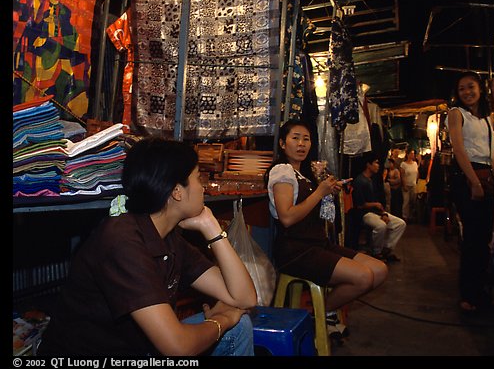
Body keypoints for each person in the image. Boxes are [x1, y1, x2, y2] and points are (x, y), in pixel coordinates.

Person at [38, 137, 257, 356]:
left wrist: (211, 228)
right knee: (230, 324)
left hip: (140, 349)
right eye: (198, 178)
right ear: (177, 191)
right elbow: (177, 347)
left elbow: (244, 298)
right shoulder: (122, 242)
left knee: (241, 325)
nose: (203, 188)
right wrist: (221, 321)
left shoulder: (166, 236)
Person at [264, 119, 388, 334]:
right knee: (363, 277)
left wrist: (328, 192)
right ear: (283, 144)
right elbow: (287, 218)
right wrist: (319, 193)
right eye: (295, 138)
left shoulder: (304, 174)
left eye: (306, 139)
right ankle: (319, 316)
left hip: (318, 244)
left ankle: (325, 313)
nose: (302, 144)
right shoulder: (281, 172)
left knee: (379, 270)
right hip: (295, 250)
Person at [445, 71, 494, 313]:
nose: (467, 92)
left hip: (485, 175)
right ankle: (468, 295)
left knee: (483, 239)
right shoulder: (456, 114)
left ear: (480, 88)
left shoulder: (487, 118)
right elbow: (459, 149)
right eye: (462, 89)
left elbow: (490, 152)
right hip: (467, 177)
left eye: (471, 87)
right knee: (472, 239)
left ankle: (480, 290)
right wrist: (475, 182)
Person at [352, 152, 406, 263]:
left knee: (400, 224)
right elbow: (360, 204)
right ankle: (376, 252)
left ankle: (386, 249)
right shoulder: (359, 181)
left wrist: (384, 213)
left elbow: (379, 202)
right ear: (368, 165)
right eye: (376, 163)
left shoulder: (374, 180)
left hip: (377, 212)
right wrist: (375, 205)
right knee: (381, 226)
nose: (378, 166)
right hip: (365, 213)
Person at [400, 148, 418, 222]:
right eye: (411, 153)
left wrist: (416, 182)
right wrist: (404, 185)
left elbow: (417, 173)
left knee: (413, 201)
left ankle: (411, 215)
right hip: (407, 185)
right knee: (406, 201)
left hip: (413, 185)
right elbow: (402, 175)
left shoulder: (415, 163)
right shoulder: (403, 164)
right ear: (407, 154)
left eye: (413, 154)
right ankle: (405, 216)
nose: (412, 155)